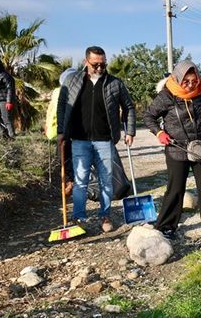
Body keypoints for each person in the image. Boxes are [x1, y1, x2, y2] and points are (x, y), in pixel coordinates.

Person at [143, 60, 201, 241]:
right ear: (177, 78)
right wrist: (159, 132)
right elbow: (148, 116)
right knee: (176, 189)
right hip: (177, 148)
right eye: (186, 81)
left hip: (200, 148)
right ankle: (167, 226)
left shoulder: (198, 94)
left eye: (194, 81)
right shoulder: (166, 96)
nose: (191, 85)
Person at [56, 46, 136, 233]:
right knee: (80, 180)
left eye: (103, 64)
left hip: (104, 140)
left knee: (106, 181)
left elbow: (129, 107)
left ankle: (105, 215)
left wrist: (130, 131)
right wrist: (61, 131)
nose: (100, 68)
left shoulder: (115, 83)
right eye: (95, 65)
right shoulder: (71, 80)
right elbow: (62, 106)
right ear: (86, 62)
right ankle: (78, 217)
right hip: (79, 139)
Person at [46, 68, 77, 196]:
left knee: (65, 157)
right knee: (65, 158)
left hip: (68, 131)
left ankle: (71, 182)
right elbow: (53, 111)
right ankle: (70, 182)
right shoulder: (59, 93)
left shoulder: (59, 92)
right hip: (64, 130)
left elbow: (51, 111)